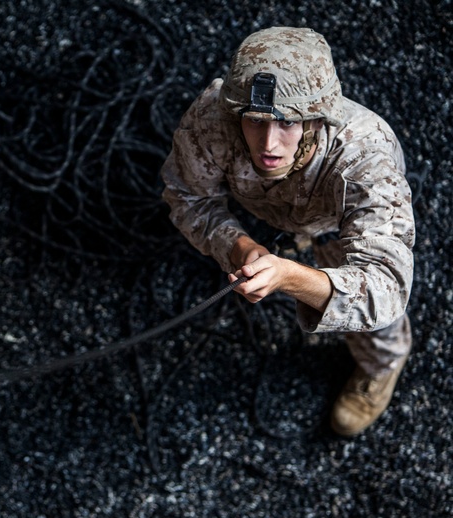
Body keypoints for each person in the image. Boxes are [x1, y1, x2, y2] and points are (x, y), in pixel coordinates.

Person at [161, 26, 415, 437]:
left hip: (334, 228)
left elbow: (386, 287)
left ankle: (382, 365)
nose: (269, 144)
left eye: (288, 124)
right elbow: (186, 195)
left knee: (377, 324)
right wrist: (239, 245)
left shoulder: (366, 157)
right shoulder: (214, 119)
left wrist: (292, 277)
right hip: (273, 215)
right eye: (256, 121)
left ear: (318, 118)